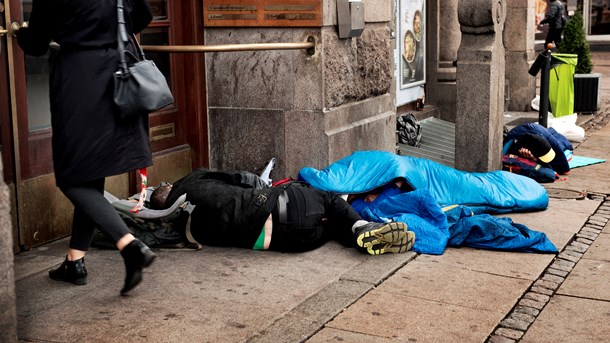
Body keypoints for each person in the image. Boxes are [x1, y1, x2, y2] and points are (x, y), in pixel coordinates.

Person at [16, 0, 156, 295]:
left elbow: (37, 43)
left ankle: (129, 245)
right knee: (91, 170)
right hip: (116, 71)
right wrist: (107, 33)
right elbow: (144, 15)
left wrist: (19, 32)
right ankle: (74, 261)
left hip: (78, 78)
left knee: (71, 177)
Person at [150, 169, 416, 255]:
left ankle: (360, 234)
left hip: (288, 242)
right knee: (327, 199)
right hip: (277, 204)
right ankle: (360, 228)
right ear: (170, 186)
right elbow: (243, 179)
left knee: (329, 227)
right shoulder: (194, 179)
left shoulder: (184, 226)